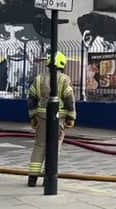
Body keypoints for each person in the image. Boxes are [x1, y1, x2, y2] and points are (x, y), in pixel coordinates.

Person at [26, 51, 76, 187]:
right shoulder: (64, 79)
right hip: (58, 119)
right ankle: (49, 177)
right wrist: (71, 116)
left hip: (41, 118)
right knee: (54, 147)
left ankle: (32, 177)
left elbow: (31, 98)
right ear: (62, 65)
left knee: (39, 146)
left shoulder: (39, 78)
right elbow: (69, 100)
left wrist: (33, 116)